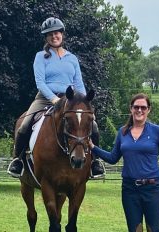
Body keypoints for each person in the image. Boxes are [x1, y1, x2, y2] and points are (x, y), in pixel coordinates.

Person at [89, 93, 159, 232]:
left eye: (143, 107)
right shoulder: (123, 132)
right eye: (136, 107)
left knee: (154, 231)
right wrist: (93, 147)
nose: (140, 110)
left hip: (152, 190)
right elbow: (113, 157)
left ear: (148, 110)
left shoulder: (156, 131)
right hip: (129, 190)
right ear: (131, 109)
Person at [8, 17, 105, 178]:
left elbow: (79, 84)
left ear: (62, 34)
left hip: (70, 100)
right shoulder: (40, 57)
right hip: (45, 98)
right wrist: (53, 99)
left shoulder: (72, 59)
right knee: (24, 125)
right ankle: (17, 160)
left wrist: (85, 102)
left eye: (57, 33)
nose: (54, 36)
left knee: (93, 125)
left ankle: (95, 162)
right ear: (46, 38)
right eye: (50, 34)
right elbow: (40, 82)